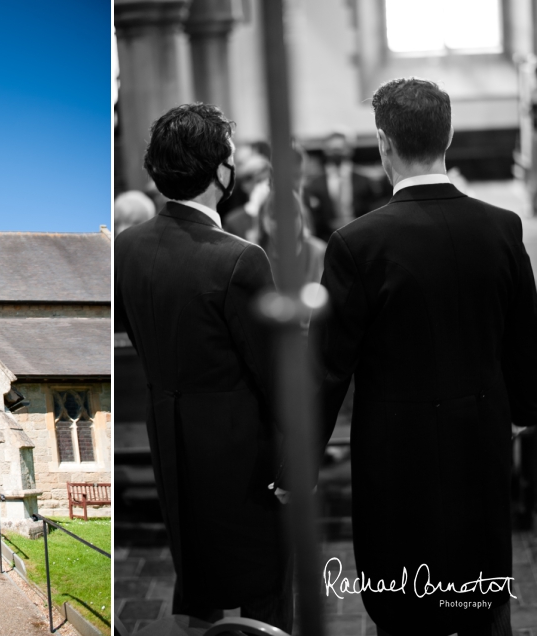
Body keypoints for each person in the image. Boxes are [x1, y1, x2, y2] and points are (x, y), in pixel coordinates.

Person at [308, 78, 537, 635]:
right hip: (480, 441)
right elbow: (524, 339)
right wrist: (521, 412)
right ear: (450, 133)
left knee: (406, 609)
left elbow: (325, 369)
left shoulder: (356, 244)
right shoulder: (502, 228)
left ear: (383, 143)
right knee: (481, 604)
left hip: (396, 454)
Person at [115, 103, 291, 630]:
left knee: (196, 573)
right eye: (231, 157)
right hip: (239, 446)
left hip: (169, 438)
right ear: (219, 172)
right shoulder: (239, 258)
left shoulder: (127, 246)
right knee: (266, 579)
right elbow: (275, 374)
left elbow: (129, 325)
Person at [303, 128, 379, 240]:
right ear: (325, 150)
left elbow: (374, 210)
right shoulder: (313, 184)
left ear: (350, 149)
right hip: (327, 239)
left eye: (340, 148)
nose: (336, 153)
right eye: (332, 149)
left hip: (362, 236)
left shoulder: (366, 180)